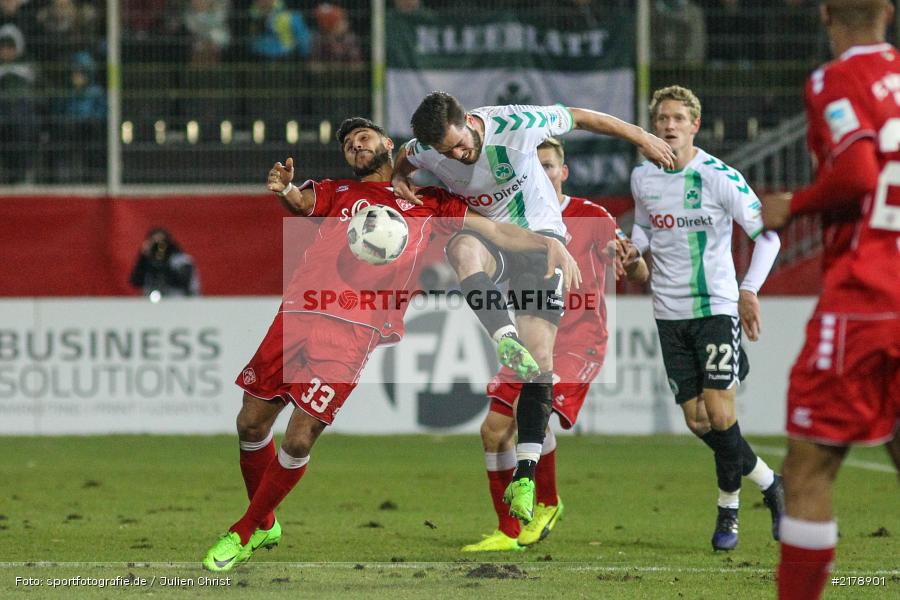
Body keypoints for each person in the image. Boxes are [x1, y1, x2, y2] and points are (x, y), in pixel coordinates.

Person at [201, 117, 580, 572]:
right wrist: (285, 190)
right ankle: (264, 522)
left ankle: (245, 529)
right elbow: (301, 202)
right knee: (249, 423)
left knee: (301, 437)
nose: (355, 145)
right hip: (297, 314)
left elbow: (495, 231)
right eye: (347, 142)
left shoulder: (430, 202)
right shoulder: (338, 193)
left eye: (363, 137)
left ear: (388, 145)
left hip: (352, 329)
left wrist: (547, 244)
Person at [391, 91, 676, 524]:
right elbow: (404, 158)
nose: (460, 155)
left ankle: (526, 475)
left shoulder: (513, 125)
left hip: (543, 243)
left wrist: (640, 136)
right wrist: (398, 178)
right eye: (449, 152)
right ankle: (504, 338)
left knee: (539, 361)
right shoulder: (430, 148)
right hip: (494, 239)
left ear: (469, 120)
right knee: (463, 249)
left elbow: (579, 116)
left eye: (462, 144)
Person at [759, 2, 900, 597]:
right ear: (888, 12)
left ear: (824, 15)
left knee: (809, 466)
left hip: (868, 293)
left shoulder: (834, 79)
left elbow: (860, 172)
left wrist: (794, 204)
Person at [462, 137, 649, 552]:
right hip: (532, 334)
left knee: (531, 414)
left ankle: (546, 501)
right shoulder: (514, 221)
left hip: (578, 338)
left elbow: (637, 271)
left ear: (563, 172)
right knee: (493, 432)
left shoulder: (593, 216)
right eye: (536, 166)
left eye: (550, 165)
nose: (543, 173)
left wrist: (631, 259)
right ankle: (507, 530)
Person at [630, 85, 784, 551]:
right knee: (698, 421)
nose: (669, 126)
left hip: (714, 305)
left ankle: (729, 511)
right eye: (662, 120)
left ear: (695, 125)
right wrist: (630, 248)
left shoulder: (719, 176)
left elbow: (769, 237)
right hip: (667, 311)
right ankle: (772, 484)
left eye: (678, 119)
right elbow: (643, 228)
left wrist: (749, 291)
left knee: (719, 413)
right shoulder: (643, 178)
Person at [129, 228, 201, 297]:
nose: (159, 248)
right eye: (155, 243)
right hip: (152, 302)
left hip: (179, 300)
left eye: (162, 243)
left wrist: (163, 263)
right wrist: (143, 258)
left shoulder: (181, 260)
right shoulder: (148, 261)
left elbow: (183, 282)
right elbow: (136, 281)